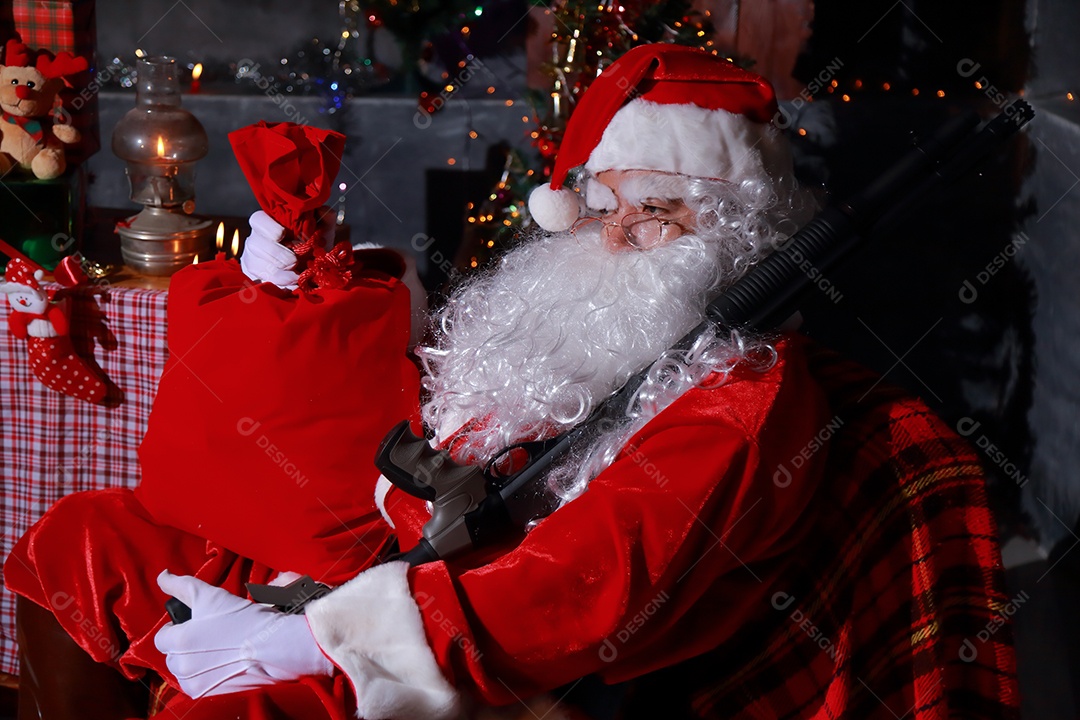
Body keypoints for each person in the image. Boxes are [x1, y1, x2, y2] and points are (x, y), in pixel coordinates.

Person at [5, 44, 1019, 720]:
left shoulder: (736, 403)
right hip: (386, 561)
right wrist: (308, 289)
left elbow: (572, 598)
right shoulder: (564, 322)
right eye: (606, 204)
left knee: (227, 706)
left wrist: (311, 643)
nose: (622, 232)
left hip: (486, 658)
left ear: (742, 236)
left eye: (664, 211)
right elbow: (416, 417)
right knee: (82, 544)